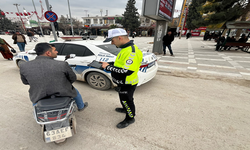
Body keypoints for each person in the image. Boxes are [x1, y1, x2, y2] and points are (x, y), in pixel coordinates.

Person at [19, 43, 88, 111]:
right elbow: (73, 78)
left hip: (38, 94)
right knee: (76, 92)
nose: (57, 52)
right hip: (63, 92)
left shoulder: (24, 66)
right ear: (48, 53)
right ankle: (81, 107)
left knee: (35, 103)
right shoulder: (62, 64)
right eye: (55, 50)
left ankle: (37, 112)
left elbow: (25, 82)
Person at [101, 28, 143, 129]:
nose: (112, 43)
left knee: (127, 101)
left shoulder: (132, 52)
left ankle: (130, 118)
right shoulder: (125, 49)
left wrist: (107, 67)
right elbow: (120, 65)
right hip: (122, 82)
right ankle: (125, 109)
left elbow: (127, 71)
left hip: (127, 83)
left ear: (120, 38)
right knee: (123, 100)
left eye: (112, 40)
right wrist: (109, 64)